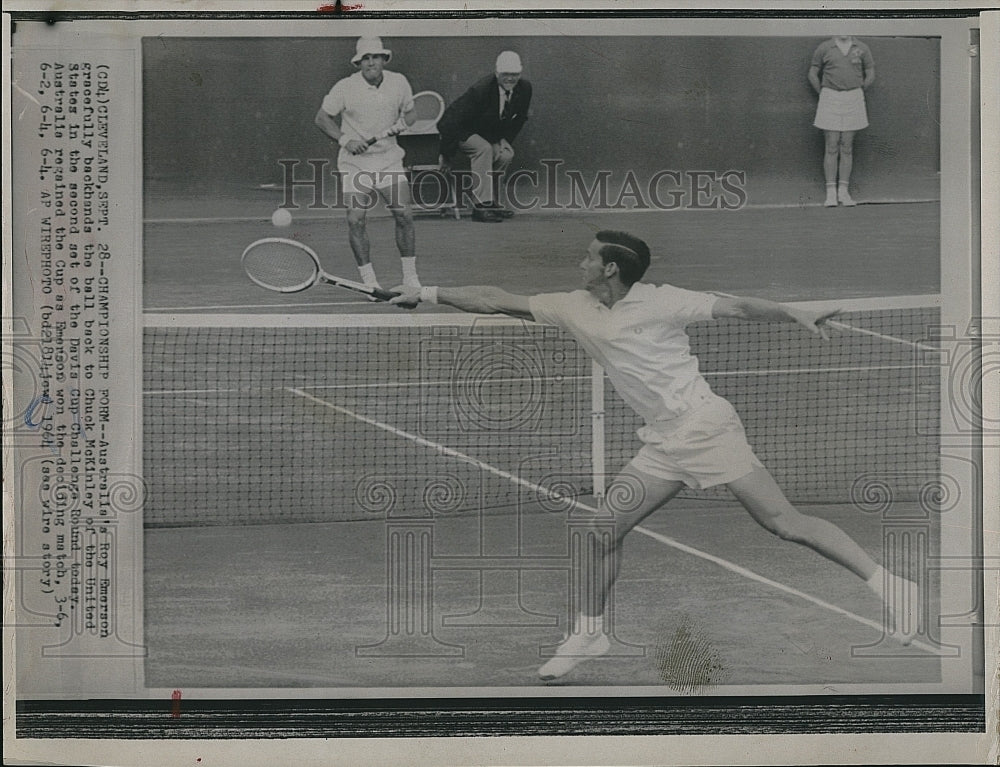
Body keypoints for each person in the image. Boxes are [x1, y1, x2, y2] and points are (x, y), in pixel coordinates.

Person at [390, 230, 918, 680]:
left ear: (611, 268)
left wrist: (792, 311)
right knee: (600, 530)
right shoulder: (574, 306)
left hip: (705, 427)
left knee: (784, 523)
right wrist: (427, 292)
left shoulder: (663, 301)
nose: (580, 263)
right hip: (663, 440)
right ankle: (590, 635)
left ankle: (892, 586)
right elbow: (495, 298)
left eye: (589, 257)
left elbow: (736, 306)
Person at [315, 36, 420, 290]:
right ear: (358, 63)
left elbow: (412, 113)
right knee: (356, 219)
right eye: (366, 58)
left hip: (389, 160)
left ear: (384, 59)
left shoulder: (399, 83)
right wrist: (345, 140)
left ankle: (410, 278)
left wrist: (402, 123)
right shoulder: (344, 87)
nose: (371, 62)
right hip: (355, 164)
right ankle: (370, 283)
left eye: (375, 57)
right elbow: (322, 118)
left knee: (404, 214)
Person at [437, 51, 532, 223]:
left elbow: (519, 119)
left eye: (514, 74)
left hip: (487, 134)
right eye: (505, 74)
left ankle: (492, 204)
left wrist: (504, 140)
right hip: (461, 131)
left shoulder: (524, 89)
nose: (510, 79)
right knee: (483, 149)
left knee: (505, 154)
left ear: (520, 73)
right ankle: (480, 206)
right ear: (497, 74)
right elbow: (448, 122)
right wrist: (445, 155)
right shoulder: (481, 90)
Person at [809, 35, 875, 207]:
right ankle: (831, 193)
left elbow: (870, 73)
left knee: (846, 146)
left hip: (854, 97)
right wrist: (823, 93)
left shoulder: (862, 47)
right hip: (829, 96)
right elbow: (813, 73)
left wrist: (858, 91)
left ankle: (843, 193)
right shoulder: (824, 47)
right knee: (831, 145)